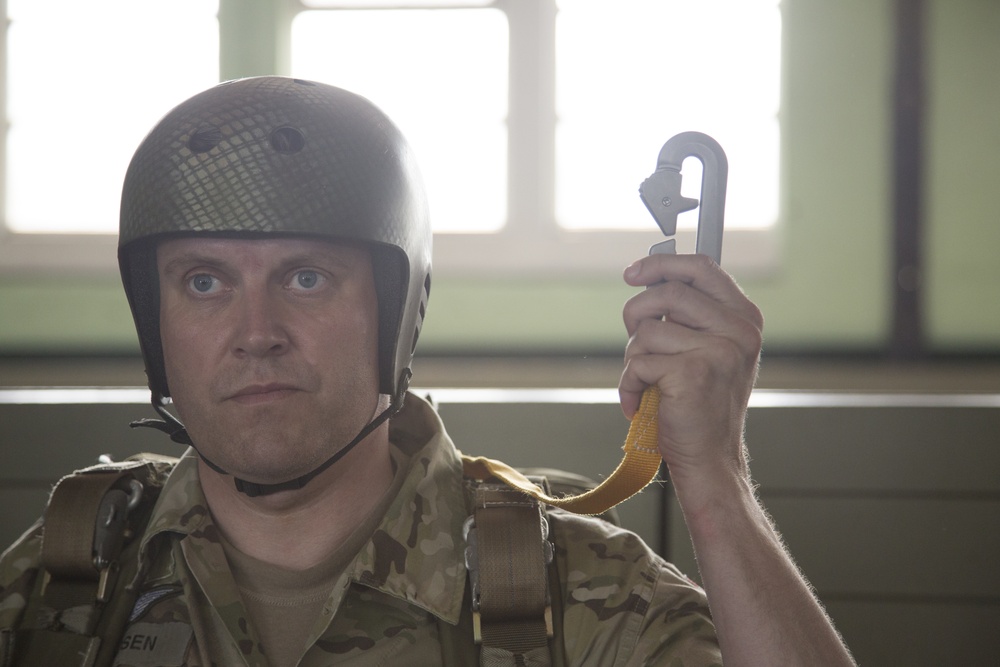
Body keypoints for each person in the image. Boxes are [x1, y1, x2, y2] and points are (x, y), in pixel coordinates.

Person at [0, 76, 854, 666]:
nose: (254, 332)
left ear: (397, 309)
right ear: (156, 325)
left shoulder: (573, 592)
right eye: (203, 281)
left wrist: (714, 480)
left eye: (306, 277)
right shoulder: (68, 579)